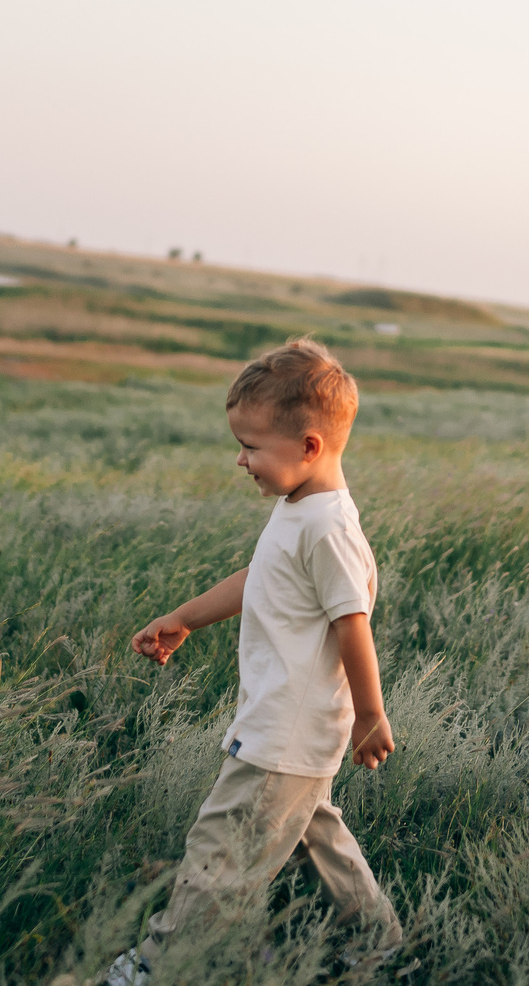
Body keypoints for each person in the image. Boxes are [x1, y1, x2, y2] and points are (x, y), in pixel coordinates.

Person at [106, 340, 404, 982]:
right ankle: (379, 946)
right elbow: (259, 577)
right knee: (314, 839)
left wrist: (371, 715)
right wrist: (183, 617)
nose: (240, 459)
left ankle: (163, 965)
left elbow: (354, 625)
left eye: (252, 445)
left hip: (281, 733)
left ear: (309, 447)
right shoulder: (298, 509)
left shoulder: (329, 529)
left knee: (222, 852)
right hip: (289, 728)